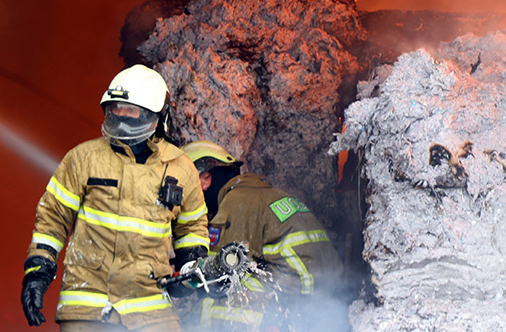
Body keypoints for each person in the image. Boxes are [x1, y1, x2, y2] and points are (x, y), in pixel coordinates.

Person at [20, 64, 210, 331]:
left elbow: (192, 228)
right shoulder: (84, 159)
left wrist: (191, 265)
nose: (121, 117)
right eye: (115, 109)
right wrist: (38, 272)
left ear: (157, 116)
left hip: (151, 311)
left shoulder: (181, 168)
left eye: (131, 111)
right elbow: (52, 218)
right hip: (88, 308)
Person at [181, 140, 345, 331]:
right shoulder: (270, 196)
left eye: (203, 179)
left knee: (221, 290)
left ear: (216, 175)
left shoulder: (236, 202)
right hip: (328, 296)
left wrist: (185, 275)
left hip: (296, 297)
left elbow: (217, 270)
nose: (200, 190)